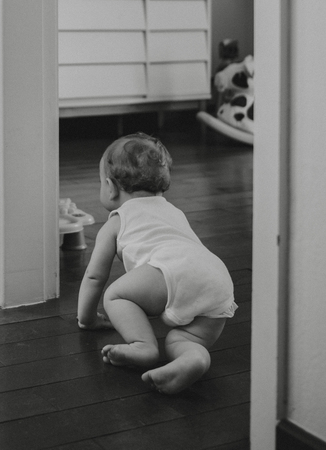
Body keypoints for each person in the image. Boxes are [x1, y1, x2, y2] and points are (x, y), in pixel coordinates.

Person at [76, 133, 237, 394]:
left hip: (171, 269)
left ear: (110, 186)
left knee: (115, 295)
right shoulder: (174, 211)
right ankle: (194, 358)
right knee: (184, 338)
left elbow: (94, 277)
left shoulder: (117, 220)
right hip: (217, 279)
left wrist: (87, 319)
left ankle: (143, 345)